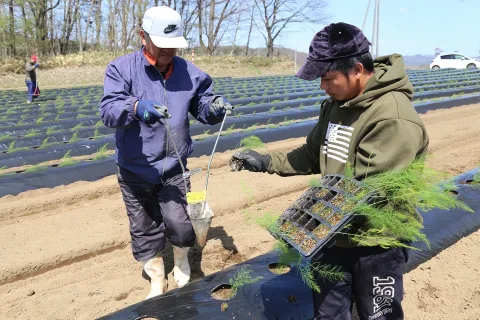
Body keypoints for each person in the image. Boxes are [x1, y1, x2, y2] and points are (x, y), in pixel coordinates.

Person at [230, 22, 429, 320]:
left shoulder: (393, 118)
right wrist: (266, 161)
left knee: (378, 315)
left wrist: (308, 225)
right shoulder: (336, 105)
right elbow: (313, 154)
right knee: (330, 314)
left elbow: (369, 191)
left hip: (376, 242)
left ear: (357, 69)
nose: (323, 86)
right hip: (334, 237)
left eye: (328, 77)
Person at [100, 6, 232, 300]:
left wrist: (214, 107)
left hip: (174, 167)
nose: (170, 50)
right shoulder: (121, 69)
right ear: (143, 36)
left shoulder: (189, 72)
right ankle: (157, 280)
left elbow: (202, 105)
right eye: (163, 43)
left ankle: (182, 258)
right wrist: (135, 108)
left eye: (174, 44)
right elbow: (108, 111)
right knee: (144, 227)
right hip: (135, 168)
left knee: (181, 224)